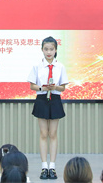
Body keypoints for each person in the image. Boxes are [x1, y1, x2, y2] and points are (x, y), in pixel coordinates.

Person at [28, 36, 68, 180]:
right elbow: (32, 85)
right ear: (42, 50)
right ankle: (44, 166)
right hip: (42, 99)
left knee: (53, 133)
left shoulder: (60, 66)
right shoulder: (37, 66)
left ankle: (52, 166)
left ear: (56, 50)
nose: (49, 52)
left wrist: (55, 87)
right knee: (43, 133)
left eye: (51, 49)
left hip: (55, 99)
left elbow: (63, 87)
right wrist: (42, 88)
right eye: (46, 49)